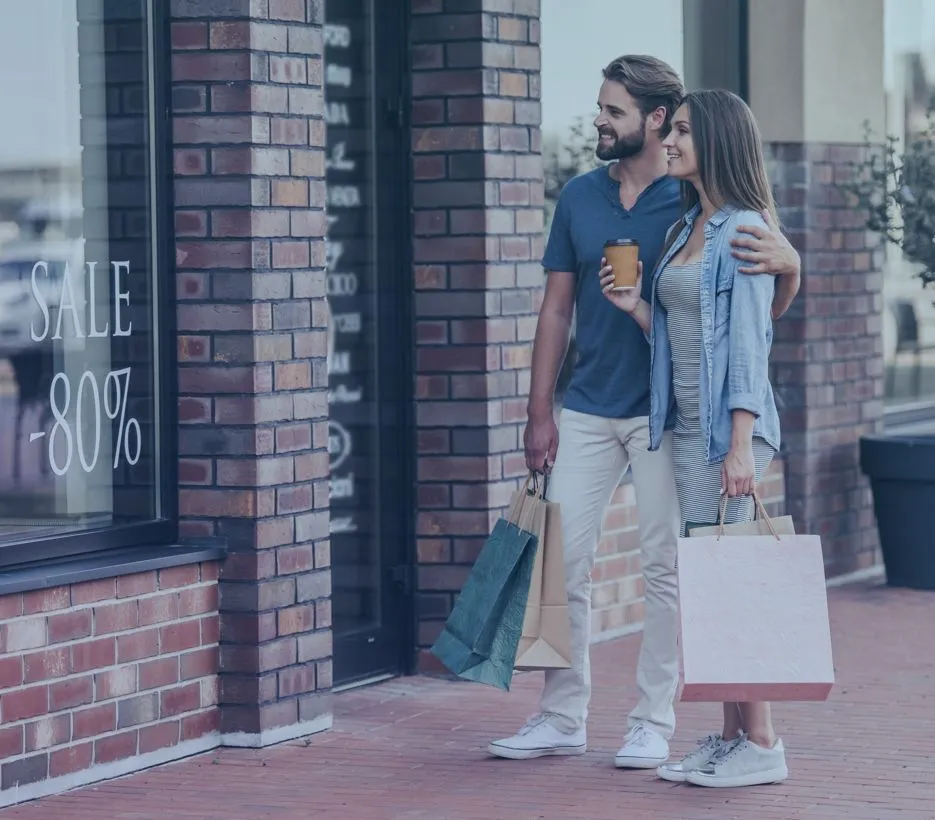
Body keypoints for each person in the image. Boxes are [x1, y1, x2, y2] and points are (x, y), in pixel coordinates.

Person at [487, 54, 801, 768]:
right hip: (598, 405)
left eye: (611, 110)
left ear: (656, 122)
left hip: (669, 417)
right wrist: (541, 410)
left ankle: (655, 722)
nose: (597, 119)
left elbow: (748, 323)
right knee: (562, 560)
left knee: (673, 567)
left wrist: (793, 265)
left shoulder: (701, 206)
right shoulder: (592, 200)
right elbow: (558, 307)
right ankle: (562, 715)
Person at [600, 88, 789, 788]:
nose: (668, 140)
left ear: (714, 141)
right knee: (711, 587)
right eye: (669, 128)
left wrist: (738, 446)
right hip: (685, 431)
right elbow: (681, 337)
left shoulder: (743, 229)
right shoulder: (687, 229)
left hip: (724, 435)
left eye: (680, 130)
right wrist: (636, 308)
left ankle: (762, 743)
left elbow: (746, 347)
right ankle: (728, 737)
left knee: (730, 587)